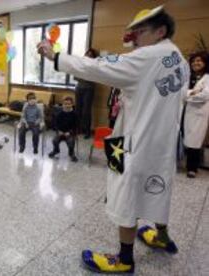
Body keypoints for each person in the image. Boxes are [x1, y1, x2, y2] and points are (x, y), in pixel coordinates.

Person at [38, 5, 189, 274]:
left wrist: (56, 56)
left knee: (124, 195)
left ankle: (124, 259)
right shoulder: (179, 58)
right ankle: (163, 237)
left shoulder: (146, 57)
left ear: (160, 31)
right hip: (162, 144)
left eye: (140, 32)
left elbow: (98, 66)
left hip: (131, 143)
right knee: (158, 188)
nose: (134, 38)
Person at [183, 52, 209, 178]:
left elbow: (204, 96)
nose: (195, 63)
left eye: (199, 60)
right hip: (186, 111)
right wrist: (192, 93)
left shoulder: (207, 78)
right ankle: (184, 163)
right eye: (193, 61)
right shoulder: (191, 77)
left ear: (205, 63)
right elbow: (182, 92)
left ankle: (192, 168)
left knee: (195, 141)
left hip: (198, 113)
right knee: (186, 137)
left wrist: (188, 95)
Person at [75, 48, 98, 139]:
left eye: (91, 55)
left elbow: (94, 79)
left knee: (86, 111)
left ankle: (87, 131)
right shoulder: (81, 64)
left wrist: (84, 77)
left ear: (93, 57)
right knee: (78, 110)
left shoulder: (95, 66)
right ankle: (77, 129)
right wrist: (85, 77)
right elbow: (76, 77)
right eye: (87, 54)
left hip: (89, 89)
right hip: (79, 88)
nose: (88, 56)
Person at [48, 96, 78, 162]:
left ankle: (71, 153)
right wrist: (58, 131)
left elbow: (76, 126)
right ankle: (56, 150)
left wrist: (69, 132)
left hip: (70, 133)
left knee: (71, 142)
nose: (67, 105)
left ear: (72, 104)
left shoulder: (75, 114)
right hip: (60, 132)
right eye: (65, 104)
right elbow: (55, 125)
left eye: (69, 104)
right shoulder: (59, 114)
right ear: (63, 104)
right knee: (54, 140)